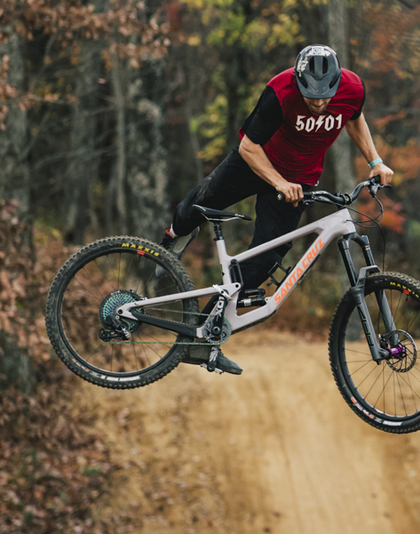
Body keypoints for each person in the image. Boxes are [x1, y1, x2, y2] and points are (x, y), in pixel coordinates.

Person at [162, 44, 394, 374]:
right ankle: (173, 236)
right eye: (310, 96)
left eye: (324, 96)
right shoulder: (281, 91)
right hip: (254, 162)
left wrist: (375, 160)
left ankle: (202, 336)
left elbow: (353, 119)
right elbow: (248, 145)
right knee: (201, 203)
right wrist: (277, 181)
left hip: (298, 179)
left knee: (267, 257)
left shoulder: (353, 89)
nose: (317, 103)